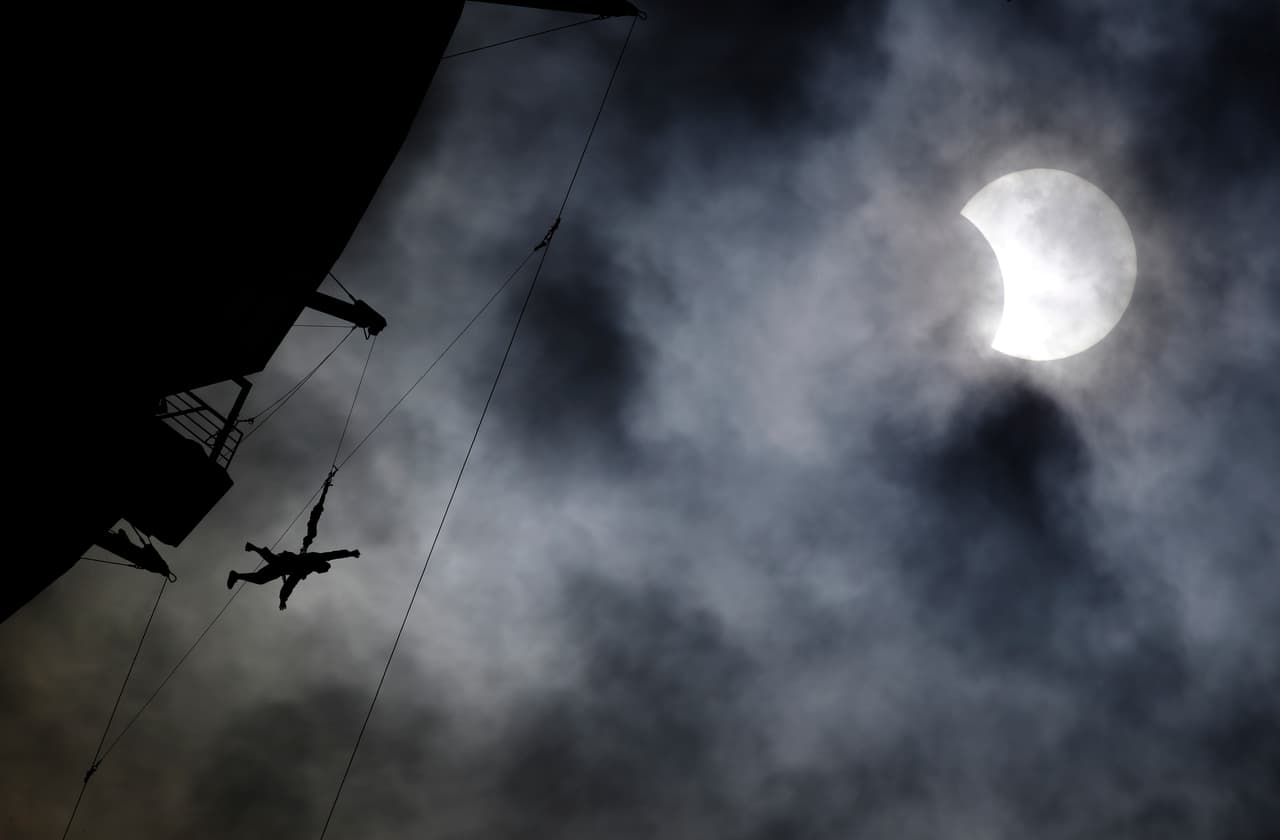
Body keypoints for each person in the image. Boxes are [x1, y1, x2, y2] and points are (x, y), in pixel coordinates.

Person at [228, 542, 360, 610]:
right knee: (274, 561)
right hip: (286, 562)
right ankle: (256, 549)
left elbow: (290, 584)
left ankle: (237, 575)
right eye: (322, 570)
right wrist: (350, 553)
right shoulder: (315, 559)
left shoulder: (305, 571)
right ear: (321, 566)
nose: (320, 572)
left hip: (282, 568)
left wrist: (283, 599)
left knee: (260, 579)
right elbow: (334, 554)